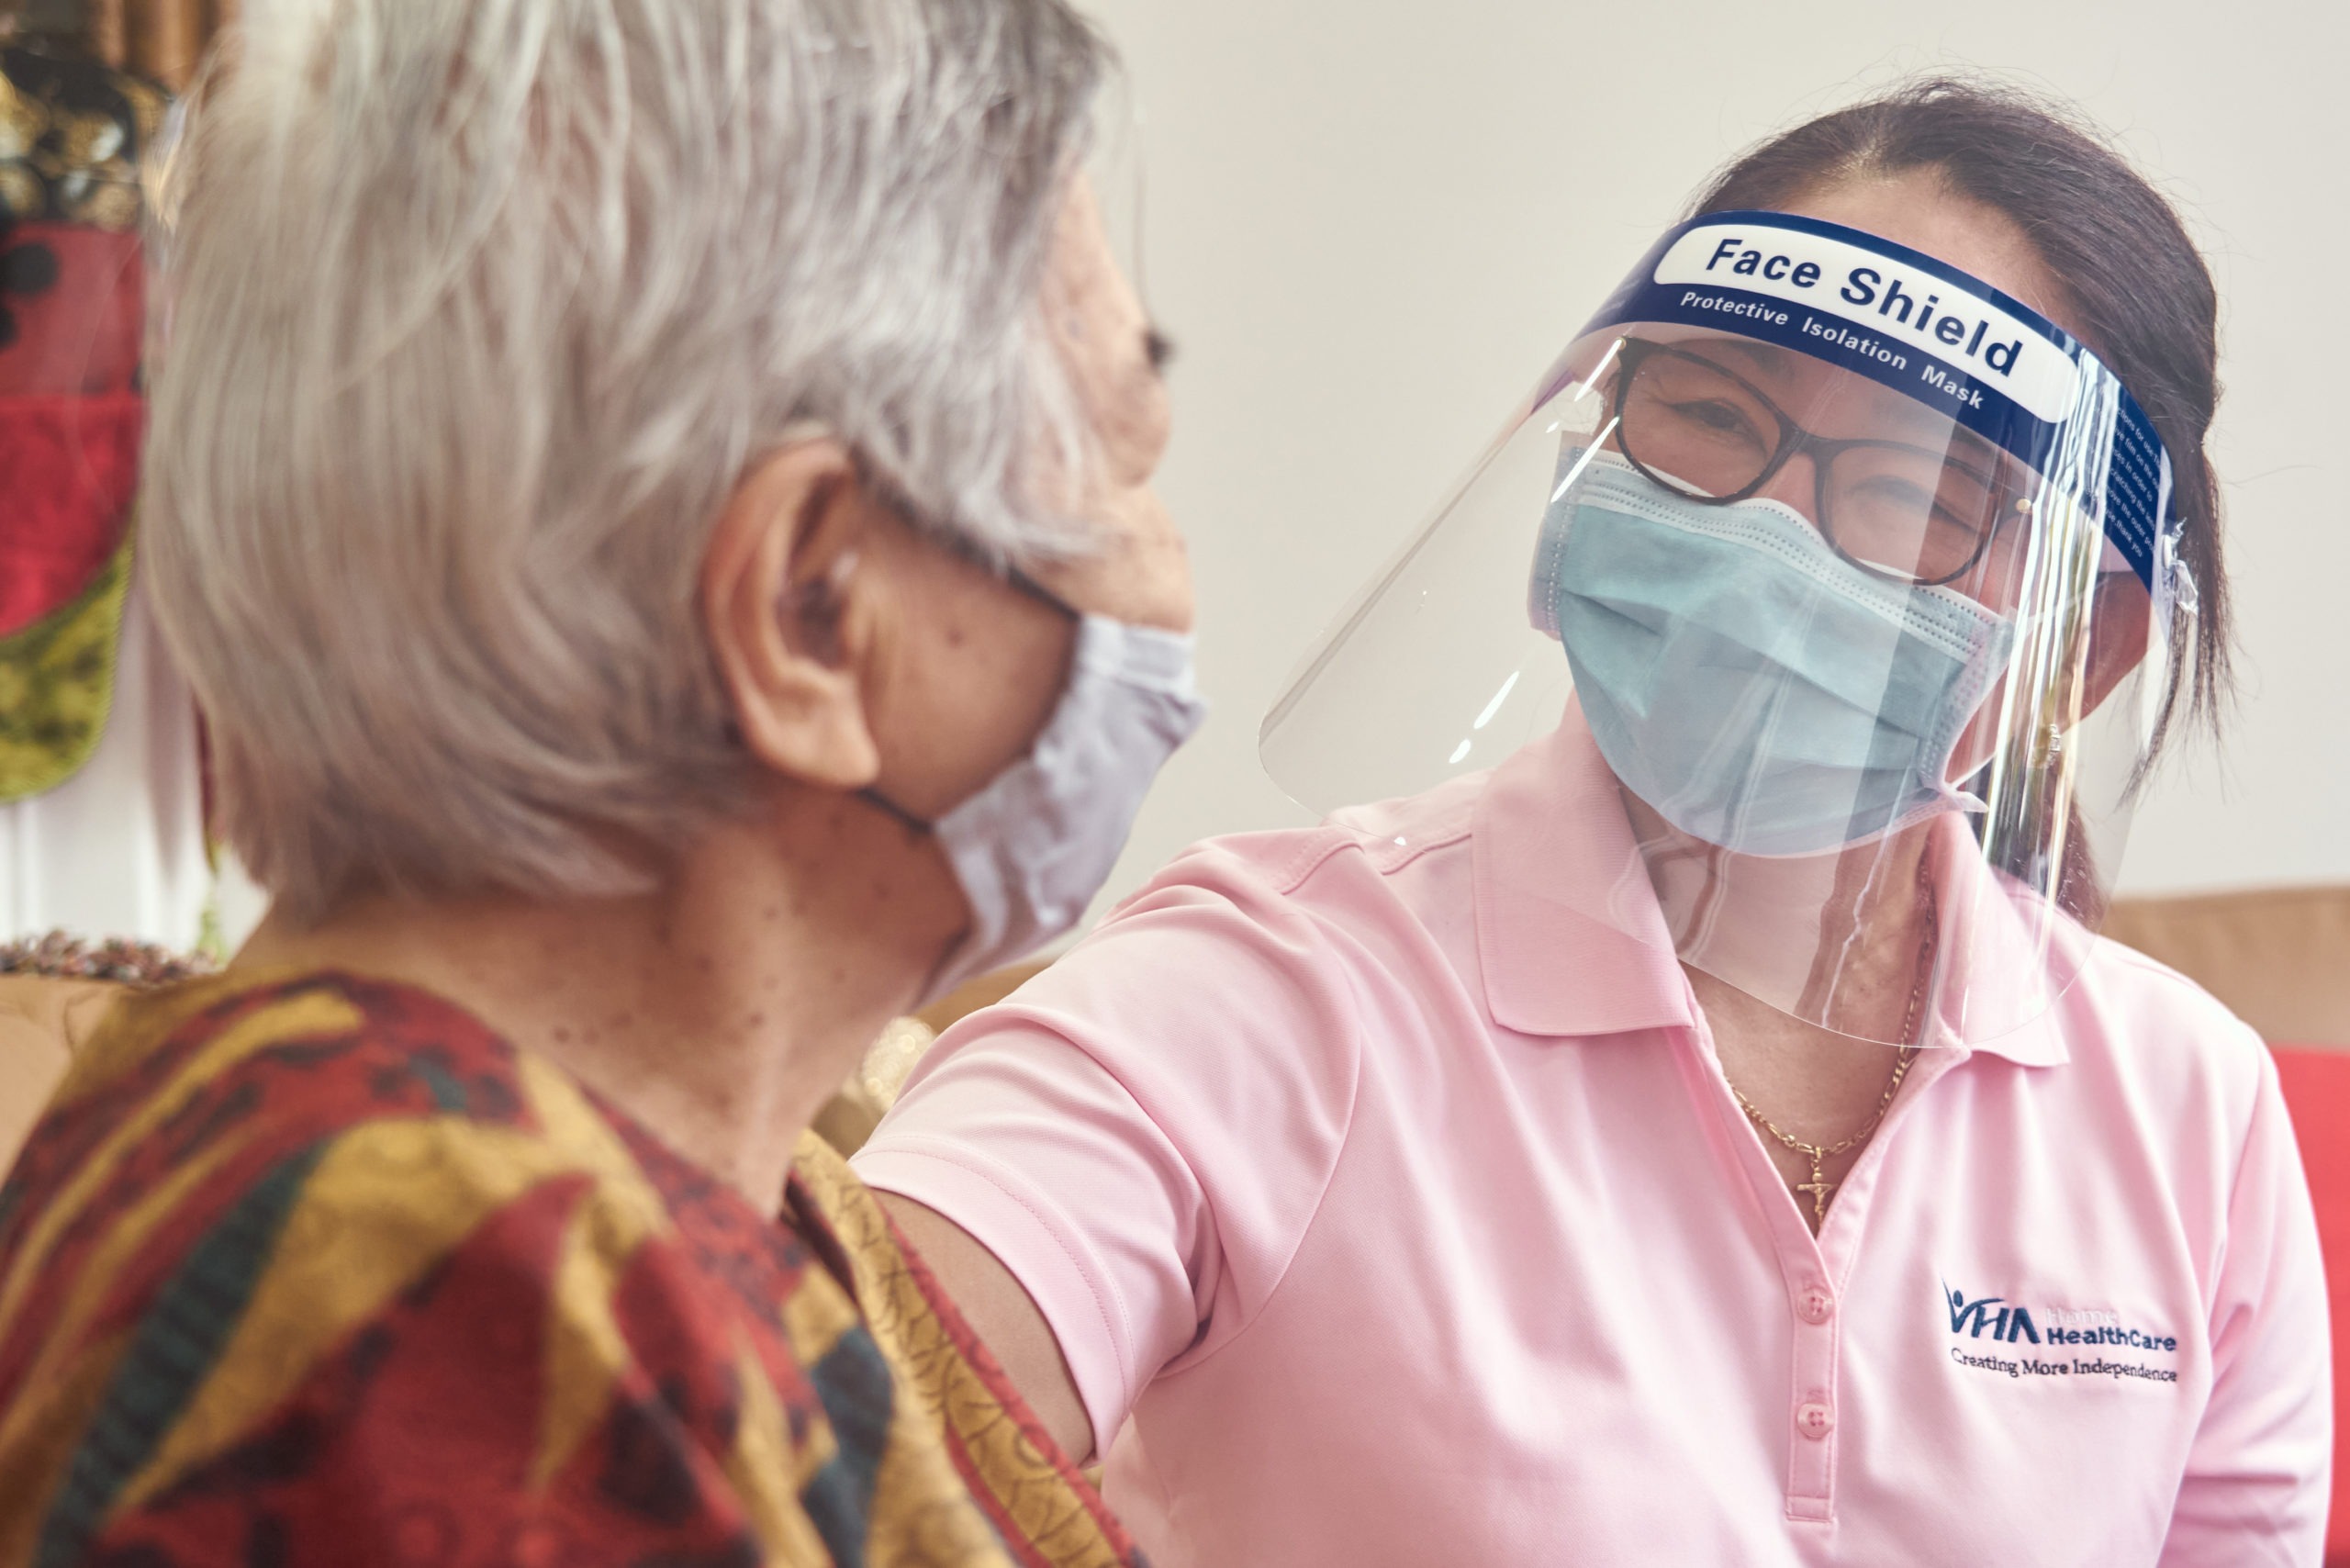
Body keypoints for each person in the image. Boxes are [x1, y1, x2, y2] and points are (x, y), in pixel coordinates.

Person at [856, 79, 2331, 1566]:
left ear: (2085, 653)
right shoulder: (1271, 988)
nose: (1763, 526)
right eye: (1705, 412)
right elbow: (799, 1402)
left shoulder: (2188, 1112)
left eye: (1911, 483)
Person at [0, 0, 1201, 1562]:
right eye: (1122, 449)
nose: (1169, 573)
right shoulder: (430, 1289)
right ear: (808, 610)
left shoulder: (714, 1193)